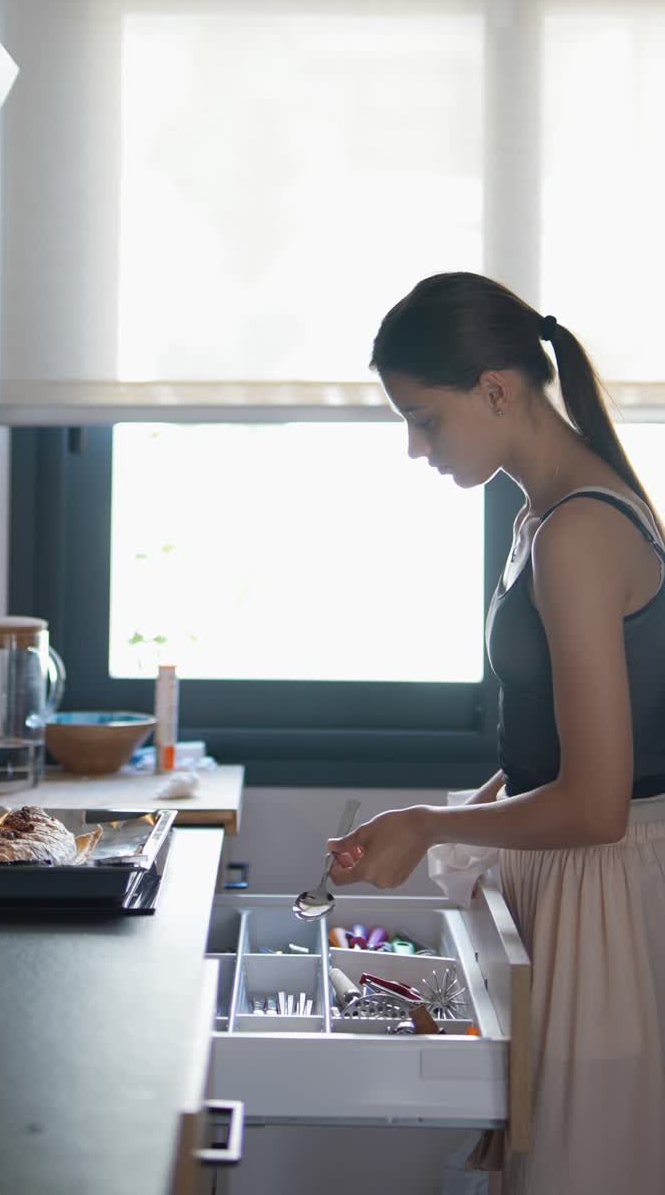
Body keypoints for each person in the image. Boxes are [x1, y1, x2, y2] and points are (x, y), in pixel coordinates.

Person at [326, 272, 665, 1195]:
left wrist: (433, 827)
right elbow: (547, 755)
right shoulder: (541, 518)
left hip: (606, 903)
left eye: (424, 418)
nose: (413, 446)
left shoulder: (579, 533)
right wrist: (427, 816)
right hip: (572, 888)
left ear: (495, 390)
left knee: (581, 1166)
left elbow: (599, 806)